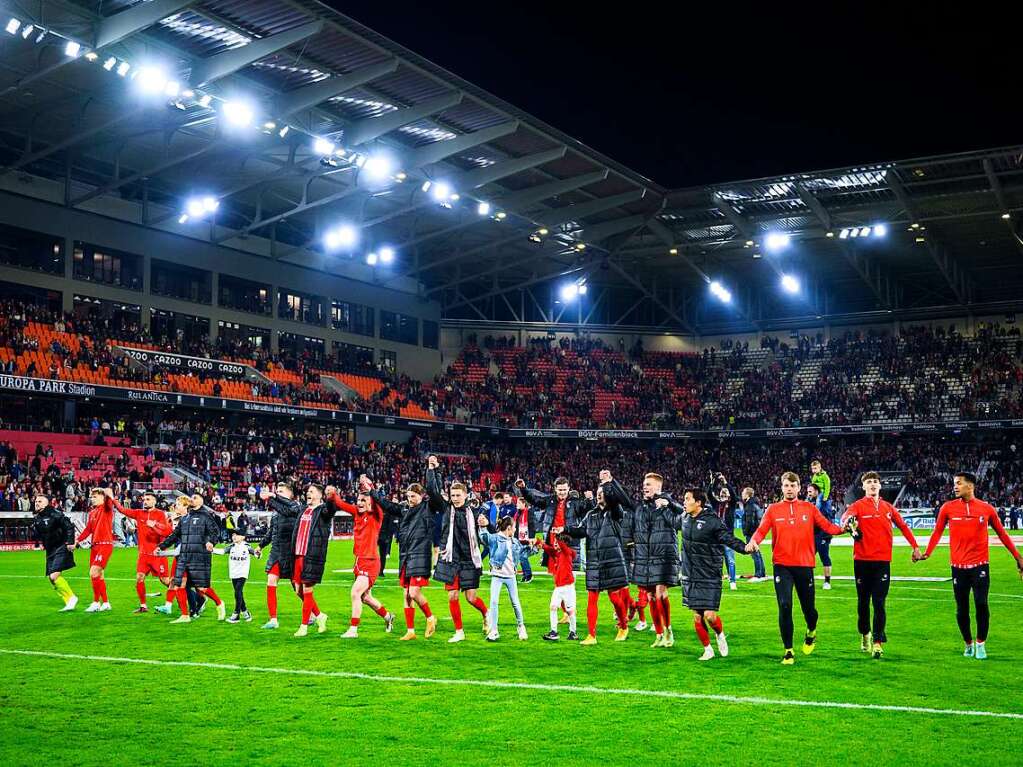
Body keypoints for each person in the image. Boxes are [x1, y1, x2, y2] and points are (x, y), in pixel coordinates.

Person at [919, 471, 1023, 659]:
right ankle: (968, 643)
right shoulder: (947, 508)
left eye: (959, 483)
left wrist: (1018, 557)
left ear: (971, 485)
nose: (955, 486)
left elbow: (1002, 534)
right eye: (954, 483)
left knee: (982, 604)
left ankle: (981, 644)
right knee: (962, 608)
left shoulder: (986, 509)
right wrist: (927, 553)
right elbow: (937, 532)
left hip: (980, 566)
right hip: (958, 567)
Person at [747, 471, 847, 664]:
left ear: (799, 488)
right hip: (782, 566)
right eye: (786, 486)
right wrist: (753, 541)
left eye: (793, 486)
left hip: (804, 565)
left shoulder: (809, 508)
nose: (789, 489)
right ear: (782, 488)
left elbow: (827, 526)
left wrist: (845, 529)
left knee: (809, 609)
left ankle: (811, 630)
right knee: (785, 606)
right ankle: (788, 650)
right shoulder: (773, 510)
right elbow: (761, 530)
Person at [841, 471, 921, 658]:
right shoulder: (857, 506)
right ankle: (865, 633)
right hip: (861, 562)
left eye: (876, 481)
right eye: (869, 482)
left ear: (880, 486)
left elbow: (903, 526)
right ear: (863, 487)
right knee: (863, 603)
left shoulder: (888, 507)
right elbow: (846, 517)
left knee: (879, 603)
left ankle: (877, 642)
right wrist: (848, 523)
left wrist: (915, 547)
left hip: (882, 562)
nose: (873, 484)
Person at [674, 487, 750, 660]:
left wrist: (745, 548)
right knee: (697, 616)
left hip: (709, 574)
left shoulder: (712, 521)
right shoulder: (684, 518)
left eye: (687, 499)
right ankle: (707, 649)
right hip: (690, 574)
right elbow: (671, 519)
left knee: (710, 615)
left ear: (698, 502)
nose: (684, 502)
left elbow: (728, 538)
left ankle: (720, 634)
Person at [560, 470, 631, 645]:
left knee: (615, 597)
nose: (599, 495)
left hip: (612, 560)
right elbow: (581, 530)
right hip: (594, 562)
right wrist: (565, 530)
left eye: (602, 493)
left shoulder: (615, 511)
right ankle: (591, 635)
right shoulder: (590, 514)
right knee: (592, 597)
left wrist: (608, 483)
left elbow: (619, 499)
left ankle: (623, 625)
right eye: (598, 493)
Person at [424, 457, 489, 643]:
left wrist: (487, 523)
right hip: (450, 559)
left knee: (471, 597)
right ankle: (459, 631)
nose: (455, 499)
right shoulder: (446, 509)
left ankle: (486, 613)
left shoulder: (475, 511)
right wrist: (432, 470)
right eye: (452, 496)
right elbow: (432, 491)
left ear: (466, 495)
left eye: (458, 496)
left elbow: (490, 530)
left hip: (469, 560)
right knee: (452, 595)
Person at [371, 475, 438, 641]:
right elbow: (387, 505)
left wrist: (432, 471)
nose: (410, 499)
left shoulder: (428, 507)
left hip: (420, 555)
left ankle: (430, 617)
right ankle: (410, 631)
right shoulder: (404, 509)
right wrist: (372, 492)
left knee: (414, 592)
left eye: (413, 496)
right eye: (408, 496)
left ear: (422, 496)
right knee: (406, 595)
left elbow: (435, 493)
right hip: (405, 556)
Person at [624, 472, 682, 648]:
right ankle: (659, 634)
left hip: (664, 555)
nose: (645, 487)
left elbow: (683, 519)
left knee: (660, 593)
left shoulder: (668, 504)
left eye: (648, 484)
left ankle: (668, 630)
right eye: (644, 484)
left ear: (658, 487)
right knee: (650, 596)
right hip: (644, 556)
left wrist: (669, 504)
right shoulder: (640, 507)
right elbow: (632, 528)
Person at [334, 477, 395, 638]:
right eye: (358, 500)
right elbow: (341, 505)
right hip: (359, 561)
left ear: (370, 502)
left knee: (355, 592)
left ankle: (353, 629)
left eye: (363, 500)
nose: (359, 503)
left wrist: (370, 485)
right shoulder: (356, 513)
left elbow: (377, 502)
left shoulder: (376, 515)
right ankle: (388, 617)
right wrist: (333, 494)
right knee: (366, 597)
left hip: (371, 561)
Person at [156, 495, 226, 624]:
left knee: (201, 588)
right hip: (184, 557)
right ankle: (185, 615)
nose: (192, 499)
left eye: (195, 497)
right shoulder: (184, 519)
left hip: (199, 557)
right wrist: (161, 546)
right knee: (179, 585)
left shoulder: (205, 515)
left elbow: (215, 531)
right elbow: (174, 535)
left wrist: (211, 542)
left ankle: (219, 603)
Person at [290, 483, 344, 637]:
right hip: (298, 554)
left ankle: (304, 626)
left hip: (312, 555)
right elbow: (288, 506)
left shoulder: (323, 511)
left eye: (312, 491)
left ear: (320, 495)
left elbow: (331, 508)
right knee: (298, 590)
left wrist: (331, 496)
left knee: (307, 590)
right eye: (308, 491)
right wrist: (273, 498)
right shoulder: (303, 510)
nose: (308, 493)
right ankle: (320, 616)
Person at [112, 490, 173, 614]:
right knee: (139, 578)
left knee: (166, 581)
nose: (145, 502)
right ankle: (143, 606)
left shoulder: (160, 514)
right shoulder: (139, 513)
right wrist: (113, 499)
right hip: (144, 555)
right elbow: (123, 510)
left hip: (158, 554)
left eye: (148, 499)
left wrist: (154, 525)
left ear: (155, 501)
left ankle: (188, 596)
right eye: (144, 500)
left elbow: (167, 532)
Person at [257, 481, 301, 630]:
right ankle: (273, 619)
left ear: (290, 494)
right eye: (278, 491)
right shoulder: (276, 514)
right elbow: (271, 533)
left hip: (291, 554)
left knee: (298, 589)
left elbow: (287, 508)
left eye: (282, 492)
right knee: (271, 580)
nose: (279, 494)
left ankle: (317, 614)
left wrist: (273, 496)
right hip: (276, 553)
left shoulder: (296, 507)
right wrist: (260, 546)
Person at [478, 515, 528, 641]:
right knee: (494, 602)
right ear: (509, 528)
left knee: (515, 603)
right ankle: (494, 630)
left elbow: (523, 553)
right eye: (514, 528)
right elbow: (484, 538)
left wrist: (535, 547)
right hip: (497, 576)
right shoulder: (495, 538)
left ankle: (521, 626)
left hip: (511, 577)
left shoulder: (514, 541)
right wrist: (483, 526)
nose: (515, 530)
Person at [30, 493, 77, 611]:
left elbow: (69, 527)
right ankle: (69, 601)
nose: (36, 503)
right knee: (52, 579)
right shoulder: (37, 518)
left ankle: (72, 598)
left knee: (54, 575)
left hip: (62, 546)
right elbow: (40, 534)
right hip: (50, 549)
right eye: (36, 501)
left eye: (40, 501)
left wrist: (70, 542)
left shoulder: (56, 514)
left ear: (47, 503)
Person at [74, 488, 117, 612]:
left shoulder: (107, 508)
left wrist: (105, 491)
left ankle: (96, 602)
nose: (92, 499)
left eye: (95, 497)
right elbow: (88, 530)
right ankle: (106, 603)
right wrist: (77, 540)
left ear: (102, 498)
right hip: (95, 546)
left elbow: (109, 494)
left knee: (93, 572)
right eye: (92, 497)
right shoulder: (92, 512)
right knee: (98, 576)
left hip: (105, 545)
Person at [212, 527, 260, 623]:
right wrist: (212, 549)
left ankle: (236, 614)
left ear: (242, 537)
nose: (234, 537)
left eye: (236, 535)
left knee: (237, 591)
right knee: (239, 593)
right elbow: (222, 551)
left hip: (243, 573)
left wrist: (258, 553)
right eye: (233, 535)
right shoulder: (231, 547)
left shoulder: (246, 546)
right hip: (233, 572)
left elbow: (256, 554)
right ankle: (245, 612)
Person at [540, 529, 578, 641]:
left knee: (570, 611)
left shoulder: (568, 552)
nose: (555, 544)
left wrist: (557, 534)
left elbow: (561, 545)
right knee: (553, 607)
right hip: (559, 588)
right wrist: (539, 543)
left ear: (564, 544)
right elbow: (549, 549)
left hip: (568, 587)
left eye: (557, 542)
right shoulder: (559, 553)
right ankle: (554, 632)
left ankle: (573, 632)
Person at [708, 472, 740, 591]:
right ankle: (718, 580)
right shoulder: (716, 504)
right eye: (722, 491)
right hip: (716, 537)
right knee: (717, 560)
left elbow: (734, 495)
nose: (724, 492)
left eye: (726, 491)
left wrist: (725, 482)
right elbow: (709, 494)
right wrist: (713, 482)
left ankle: (732, 581)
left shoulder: (731, 505)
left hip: (728, 537)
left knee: (730, 560)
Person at [810, 459, 835, 590]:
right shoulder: (812, 502)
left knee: (824, 556)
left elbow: (828, 518)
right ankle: (808, 580)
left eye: (810, 491)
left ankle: (827, 581)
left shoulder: (824, 502)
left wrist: (825, 497)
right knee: (808, 556)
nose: (809, 493)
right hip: (813, 534)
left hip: (823, 534)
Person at [740, 487, 766, 582]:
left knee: (754, 553)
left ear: (747, 494)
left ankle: (758, 574)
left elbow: (750, 521)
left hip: (751, 533)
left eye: (743, 492)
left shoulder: (750, 505)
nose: (742, 494)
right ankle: (762, 572)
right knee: (757, 553)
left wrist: (746, 532)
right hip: (755, 532)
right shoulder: (755, 504)